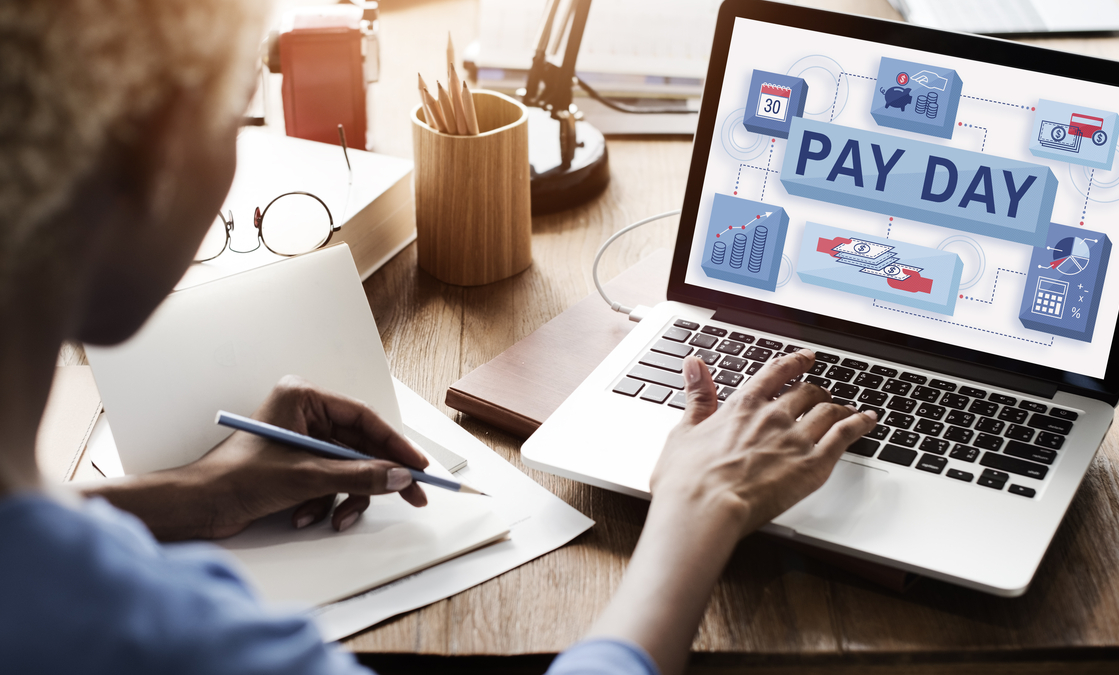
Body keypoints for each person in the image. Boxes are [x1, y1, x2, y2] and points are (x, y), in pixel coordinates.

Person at [0, 1, 876, 673]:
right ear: (150, 162)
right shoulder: (176, 639)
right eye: (235, 116)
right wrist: (696, 508)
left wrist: (189, 495)